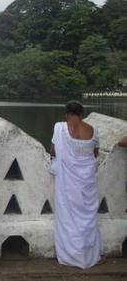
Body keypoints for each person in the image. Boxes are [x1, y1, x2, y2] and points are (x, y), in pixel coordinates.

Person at [50, 101, 103, 269]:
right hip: (86, 181)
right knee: (87, 217)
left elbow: (53, 151)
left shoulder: (59, 127)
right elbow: (95, 154)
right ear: (82, 114)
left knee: (68, 217)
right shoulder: (93, 131)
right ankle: (88, 256)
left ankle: (71, 256)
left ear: (67, 114)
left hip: (67, 182)